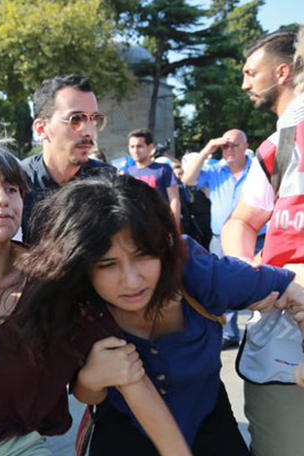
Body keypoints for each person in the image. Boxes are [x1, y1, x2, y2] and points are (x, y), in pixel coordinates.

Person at [0, 138, 192, 456]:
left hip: (22, 446)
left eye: (12, 189)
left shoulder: (51, 280)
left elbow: (126, 373)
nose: (2, 200)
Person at [14, 174, 304, 455]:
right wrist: (90, 380)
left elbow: (288, 284)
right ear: (81, 264)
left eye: (142, 256)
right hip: (125, 430)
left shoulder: (196, 270)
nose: (131, 281)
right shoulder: (78, 304)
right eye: (107, 265)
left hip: (210, 423)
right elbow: (87, 395)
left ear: (163, 247)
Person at [221, 27, 304, 456]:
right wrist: (247, 268)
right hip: (280, 336)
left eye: (252, 72)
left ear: (284, 72)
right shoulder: (278, 145)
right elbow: (241, 222)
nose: (245, 83)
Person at [181, 129, 258, 349]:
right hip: (221, 237)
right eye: (225, 146)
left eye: (234, 145)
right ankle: (230, 332)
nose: (229, 150)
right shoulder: (214, 170)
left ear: (245, 146)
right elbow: (187, 179)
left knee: (258, 284)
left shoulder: (257, 170)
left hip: (254, 235)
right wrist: (207, 149)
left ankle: (260, 332)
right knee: (223, 283)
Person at [21, 74, 113, 245]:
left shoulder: (107, 181)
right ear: (41, 129)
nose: (89, 132)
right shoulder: (17, 183)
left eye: (94, 119)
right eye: (76, 119)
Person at [124, 129, 180, 224]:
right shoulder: (128, 172)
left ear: (150, 147)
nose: (135, 151)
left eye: (139, 146)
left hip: (161, 225)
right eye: (132, 147)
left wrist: (175, 228)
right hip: (137, 226)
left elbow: (174, 200)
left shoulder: (163, 169)